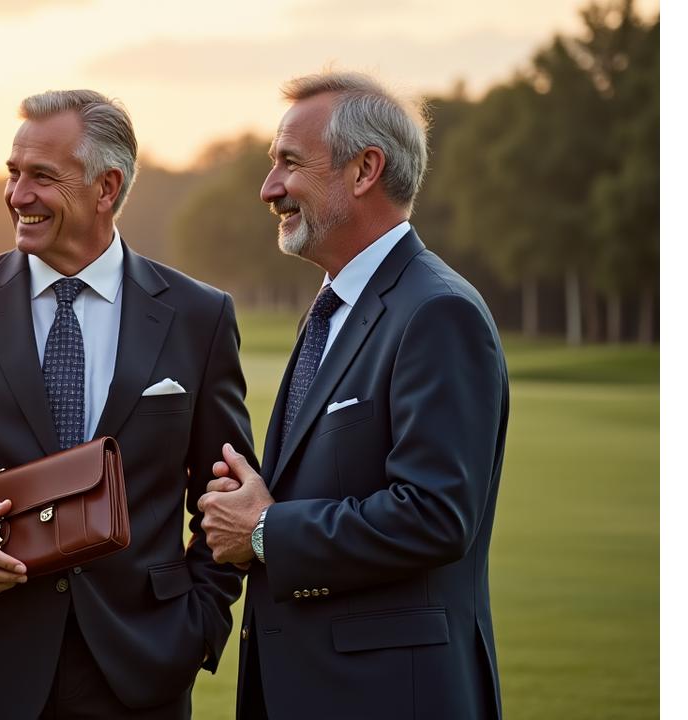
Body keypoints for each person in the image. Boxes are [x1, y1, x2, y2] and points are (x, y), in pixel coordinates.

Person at [0, 89, 255, 718]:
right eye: (13, 174)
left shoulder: (200, 316)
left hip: (141, 672)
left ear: (107, 187)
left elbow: (230, 491)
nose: (17, 195)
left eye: (42, 176)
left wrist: (198, 623)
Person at [198, 71, 509, 720]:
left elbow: (434, 514)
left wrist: (263, 530)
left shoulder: (436, 312)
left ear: (366, 169)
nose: (269, 188)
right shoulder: (336, 308)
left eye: (289, 163)